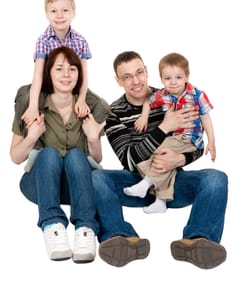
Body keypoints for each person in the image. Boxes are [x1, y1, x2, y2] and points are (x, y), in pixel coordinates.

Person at [92, 50, 228, 269]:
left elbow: (194, 142)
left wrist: (179, 159)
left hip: (173, 182)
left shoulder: (172, 95)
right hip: (134, 184)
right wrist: (165, 127)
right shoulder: (114, 112)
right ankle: (121, 238)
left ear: (147, 72)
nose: (135, 81)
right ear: (118, 81)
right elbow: (128, 159)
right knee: (97, 178)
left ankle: (197, 240)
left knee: (216, 178)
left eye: (139, 73)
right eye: (127, 77)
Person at [10, 46, 110, 263]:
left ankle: (85, 229)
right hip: (39, 184)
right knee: (48, 154)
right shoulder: (31, 103)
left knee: (76, 155)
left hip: (78, 187)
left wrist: (93, 138)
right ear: (48, 73)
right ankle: (52, 226)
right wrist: (31, 136)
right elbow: (16, 157)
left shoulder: (91, 107)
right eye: (59, 69)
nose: (66, 75)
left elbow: (97, 159)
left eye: (73, 69)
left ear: (79, 75)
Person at [123, 52, 216, 214]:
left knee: (157, 153)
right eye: (167, 78)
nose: (173, 82)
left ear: (187, 77)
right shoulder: (162, 95)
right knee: (157, 162)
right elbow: (148, 102)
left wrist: (212, 142)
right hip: (173, 138)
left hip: (189, 138)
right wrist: (144, 117)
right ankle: (160, 201)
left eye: (178, 77)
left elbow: (206, 119)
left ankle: (146, 184)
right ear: (161, 79)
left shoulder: (196, 95)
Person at [22, 0, 91, 128]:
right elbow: (38, 74)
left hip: (73, 88)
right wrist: (33, 105)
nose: (59, 16)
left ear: (74, 13)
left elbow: (84, 73)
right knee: (25, 99)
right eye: (54, 11)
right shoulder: (43, 41)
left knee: (99, 105)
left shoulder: (80, 40)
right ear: (47, 15)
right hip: (49, 88)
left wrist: (82, 99)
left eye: (65, 10)